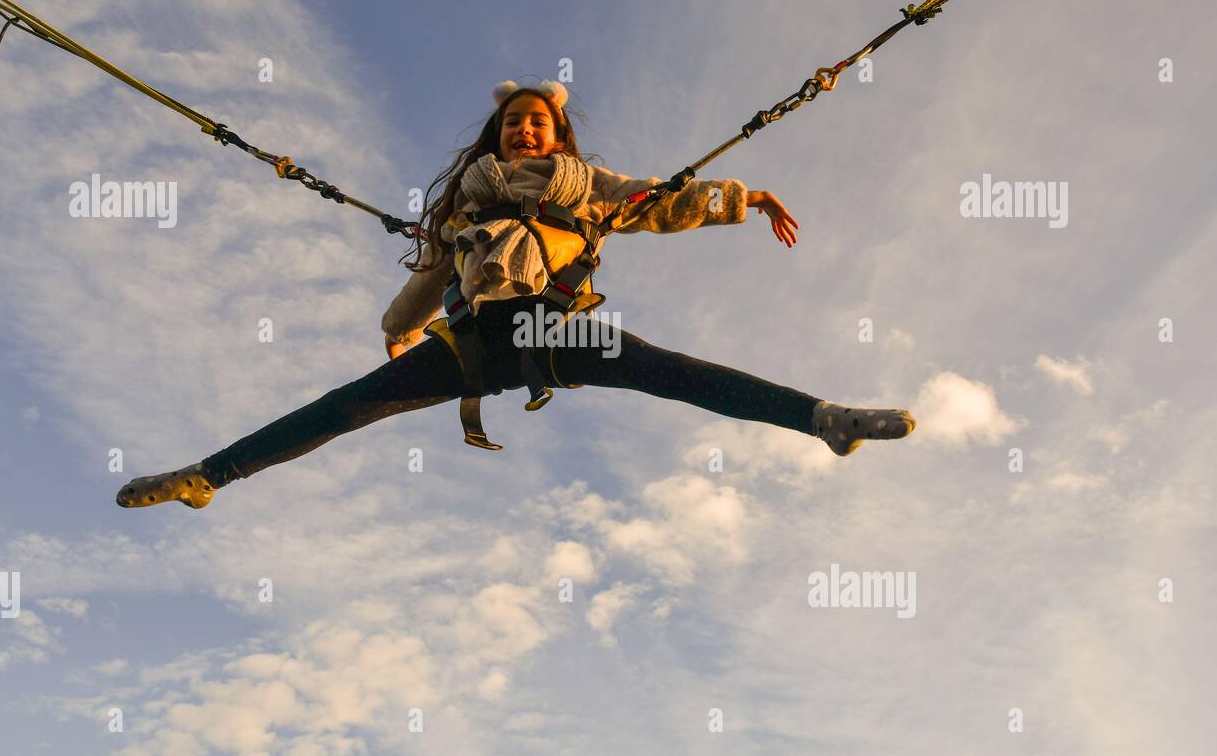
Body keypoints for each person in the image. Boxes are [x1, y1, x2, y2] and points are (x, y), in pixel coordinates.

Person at [116, 79, 914, 510]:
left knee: (670, 371)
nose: (523, 132)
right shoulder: (469, 201)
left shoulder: (589, 186)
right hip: (473, 339)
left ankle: (821, 419)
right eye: (511, 126)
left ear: (558, 136)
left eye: (537, 123)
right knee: (348, 405)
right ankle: (208, 476)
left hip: (560, 326)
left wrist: (746, 198)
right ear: (495, 139)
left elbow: (664, 198)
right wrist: (399, 326)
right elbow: (433, 271)